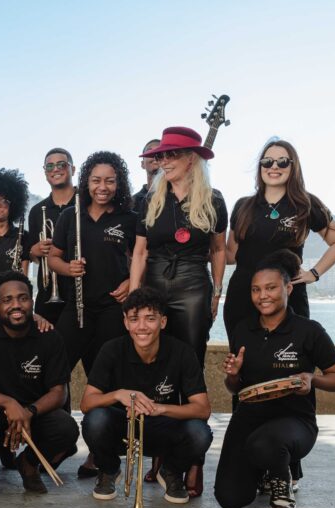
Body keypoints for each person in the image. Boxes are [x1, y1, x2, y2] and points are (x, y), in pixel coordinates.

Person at [215, 251, 335, 508]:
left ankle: (280, 478)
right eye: (256, 290)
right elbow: (235, 388)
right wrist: (233, 375)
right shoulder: (243, 329)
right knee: (229, 499)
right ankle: (260, 471)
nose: (262, 296)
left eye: (271, 288)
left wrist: (313, 378)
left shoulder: (309, 331)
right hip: (250, 417)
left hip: (295, 421)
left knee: (266, 443)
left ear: (288, 288)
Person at [80, 287, 212, 504]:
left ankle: (170, 471)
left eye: (150, 318)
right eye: (134, 319)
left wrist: (160, 409)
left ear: (163, 322)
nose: (141, 327)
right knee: (94, 421)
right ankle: (109, 470)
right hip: (123, 427)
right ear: (125, 323)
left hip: (163, 427)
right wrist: (119, 395)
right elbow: (86, 403)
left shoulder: (182, 352)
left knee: (200, 433)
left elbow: (202, 409)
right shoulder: (111, 350)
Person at [0, 270, 79, 498]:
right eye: (7, 300)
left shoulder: (50, 337)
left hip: (34, 413)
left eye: (22, 298)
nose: (16, 305)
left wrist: (29, 411)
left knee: (67, 428)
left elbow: (59, 393)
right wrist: (8, 403)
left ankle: (27, 463)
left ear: (31, 302)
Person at [224, 139, 335, 340]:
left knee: (293, 363)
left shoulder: (306, 204)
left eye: (282, 162)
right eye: (267, 162)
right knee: (243, 363)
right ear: (260, 167)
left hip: (288, 295)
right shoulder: (243, 206)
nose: (274, 167)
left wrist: (314, 273)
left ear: (293, 166)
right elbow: (231, 255)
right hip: (243, 295)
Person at [129, 126, 227, 368]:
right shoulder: (150, 200)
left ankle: (193, 406)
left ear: (191, 158)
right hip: (153, 285)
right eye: (161, 156)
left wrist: (216, 293)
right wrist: (133, 297)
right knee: (151, 357)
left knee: (192, 356)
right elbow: (140, 252)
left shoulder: (214, 200)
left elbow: (218, 250)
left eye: (172, 155)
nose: (164, 162)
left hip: (193, 287)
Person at [48, 150, 137, 375]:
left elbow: (142, 259)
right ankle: (56, 410)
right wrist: (69, 269)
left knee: (106, 372)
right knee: (56, 367)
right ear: (87, 182)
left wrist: (130, 282)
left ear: (119, 184)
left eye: (110, 181)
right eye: (96, 180)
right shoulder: (70, 215)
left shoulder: (129, 219)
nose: (102, 187)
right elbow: (52, 259)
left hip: (113, 308)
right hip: (77, 306)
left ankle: (100, 411)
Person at [24, 148, 77, 325]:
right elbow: (32, 255)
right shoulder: (37, 211)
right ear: (45, 172)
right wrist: (35, 250)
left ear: (73, 169)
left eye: (61, 164)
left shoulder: (85, 202)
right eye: (49, 166)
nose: (55, 169)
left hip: (82, 289)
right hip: (48, 294)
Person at [132, 139, 161, 215]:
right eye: (149, 152)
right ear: (142, 164)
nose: (155, 156)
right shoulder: (132, 202)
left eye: (159, 152)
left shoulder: (178, 195)